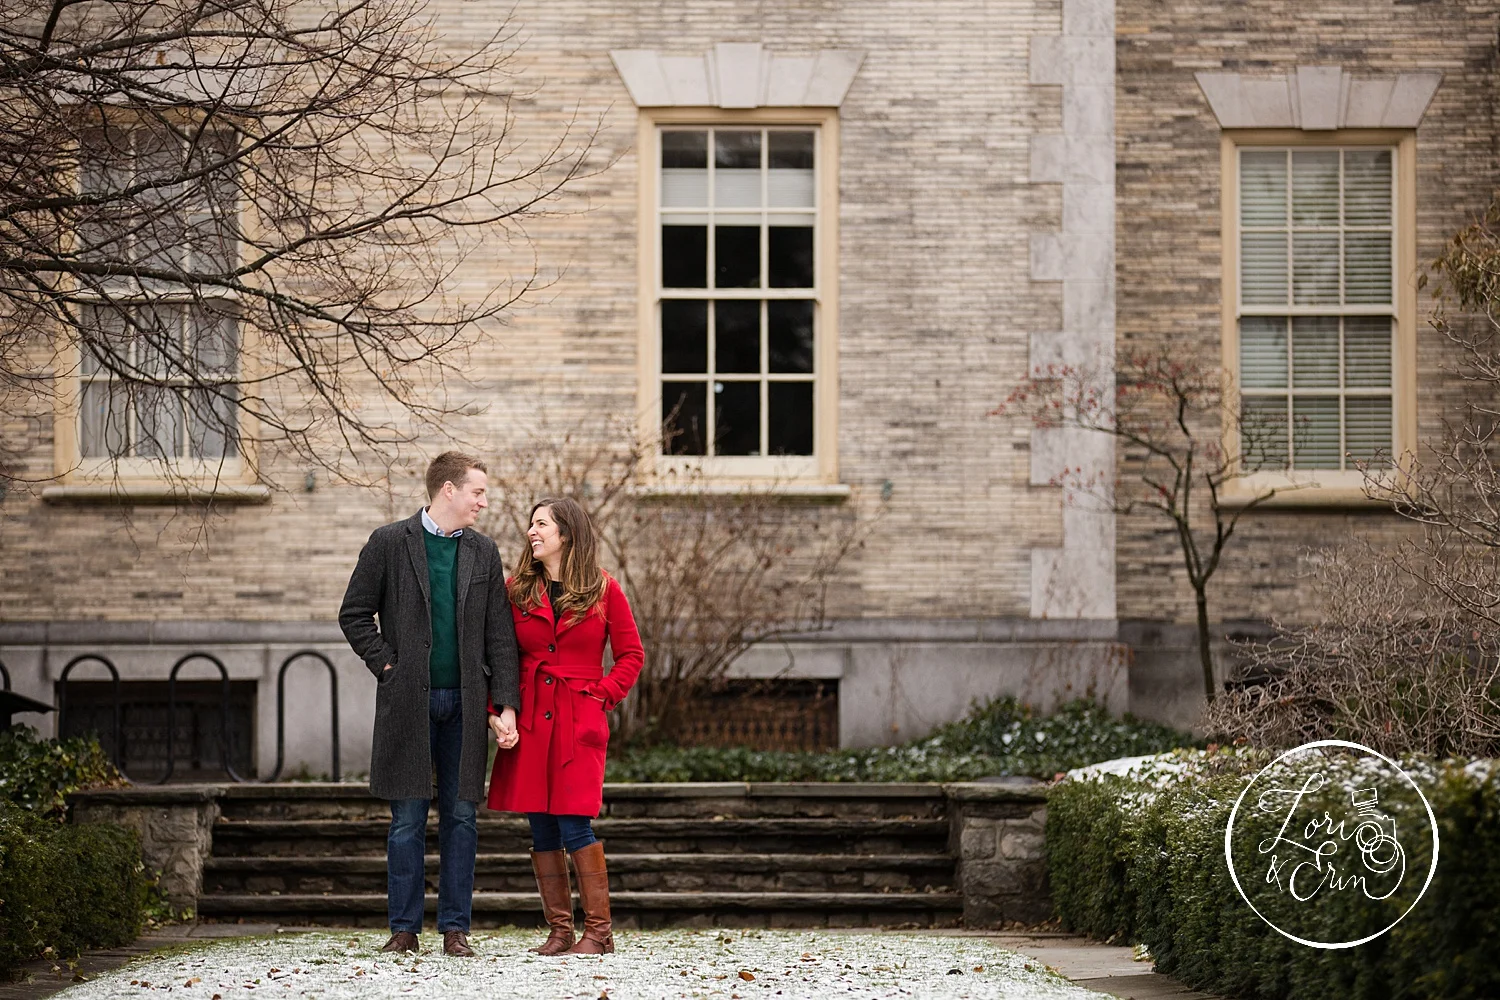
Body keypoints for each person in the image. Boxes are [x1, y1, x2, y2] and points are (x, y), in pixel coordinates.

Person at [338, 452, 521, 957]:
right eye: (477, 492)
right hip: (407, 705)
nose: (483, 501)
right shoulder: (389, 543)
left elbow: (500, 636)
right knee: (407, 821)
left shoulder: (484, 552)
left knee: (462, 817)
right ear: (447, 490)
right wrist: (387, 666)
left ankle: (456, 929)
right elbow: (354, 614)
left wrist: (505, 704)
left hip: (466, 702)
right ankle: (404, 928)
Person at [487, 497, 644, 955]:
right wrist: (501, 710)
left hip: (579, 720)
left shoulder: (604, 589)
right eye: (531, 524)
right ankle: (560, 931)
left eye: (542, 524)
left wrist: (601, 695)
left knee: (575, 823)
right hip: (532, 719)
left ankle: (598, 932)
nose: (532, 532)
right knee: (541, 828)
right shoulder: (516, 590)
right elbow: (501, 655)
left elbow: (632, 654)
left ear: (567, 534)